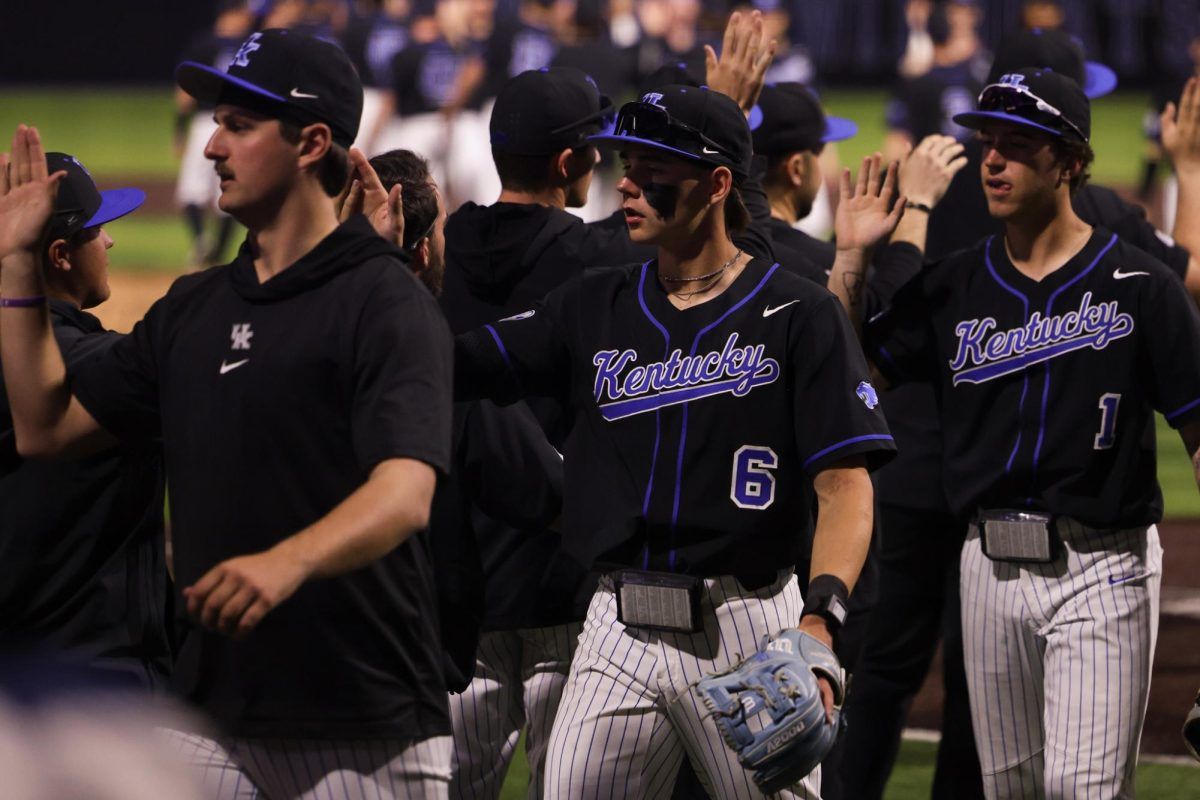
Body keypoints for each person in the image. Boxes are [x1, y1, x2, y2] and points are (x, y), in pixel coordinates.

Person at [0, 27, 455, 799]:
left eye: (238, 125)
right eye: (216, 123)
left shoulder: (384, 304)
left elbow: (404, 492)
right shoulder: (194, 308)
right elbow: (47, 427)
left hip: (360, 723)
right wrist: (15, 264)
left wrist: (287, 561)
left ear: (313, 142)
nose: (211, 146)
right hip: (208, 717)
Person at [454, 81, 896, 799]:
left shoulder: (798, 313)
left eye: (653, 169)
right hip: (615, 627)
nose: (626, 184)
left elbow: (845, 483)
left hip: (746, 625)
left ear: (719, 183)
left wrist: (821, 619)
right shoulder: (594, 304)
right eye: (627, 163)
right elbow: (459, 361)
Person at [839, 67, 1200, 799]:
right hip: (985, 566)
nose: (992, 161)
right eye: (988, 143)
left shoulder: (1140, 289)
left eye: (1017, 146)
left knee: (1083, 790)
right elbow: (844, 378)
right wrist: (852, 260)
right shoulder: (951, 286)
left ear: (1069, 161)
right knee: (1010, 791)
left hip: (1104, 566)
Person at [0, 152, 172, 689]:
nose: (111, 242)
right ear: (60, 255)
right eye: (98, 230)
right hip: (96, 682)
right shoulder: (98, 367)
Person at [173, 0, 255, 265]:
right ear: (233, 13)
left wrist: (178, 128)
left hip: (207, 123)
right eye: (245, 13)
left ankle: (208, 248)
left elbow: (183, 95)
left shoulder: (204, 44)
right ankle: (210, 249)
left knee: (196, 190)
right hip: (231, 125)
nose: (248, 18)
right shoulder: (249, 47)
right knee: (215, 189)